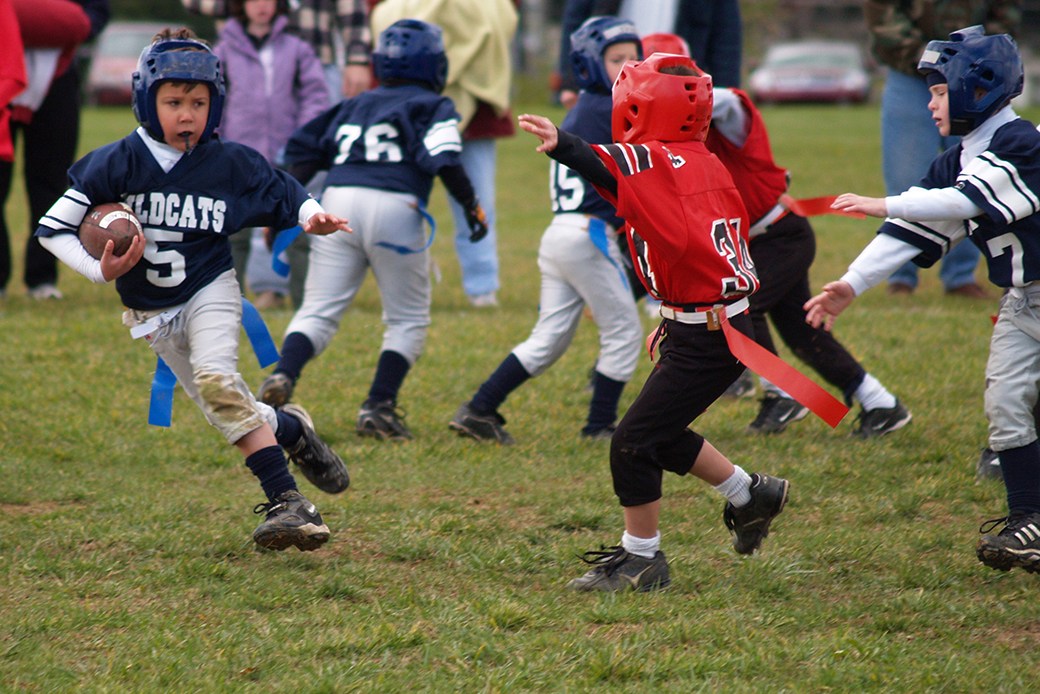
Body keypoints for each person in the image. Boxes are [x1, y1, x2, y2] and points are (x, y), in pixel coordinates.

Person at [33, 29, 352, 551]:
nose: (187, 115)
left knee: (218, 382)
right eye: (174, 102)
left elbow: (283, 189)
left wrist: (312, 215)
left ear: (215, 104)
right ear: (146, 101)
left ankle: (290, 504)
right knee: (223, 405)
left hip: (210, 289)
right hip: (150, 312)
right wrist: (98, 270)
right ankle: (290, 430)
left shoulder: (227, 163)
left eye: (198, 103)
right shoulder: (117, 162)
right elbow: (52, 229)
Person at [519, 53, 790, 592]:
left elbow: (608, 166)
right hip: (710, 325)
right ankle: (750, 494)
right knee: (660, 436)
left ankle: (642, 560)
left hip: (708, 333)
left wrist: (565, 143)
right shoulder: (704, 160)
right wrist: (674, 314)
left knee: (632, 442)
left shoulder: (659, 160)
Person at [805, 27, 1040, 574]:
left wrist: (881, 202)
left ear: (976, 88)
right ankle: (1029, 520)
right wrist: (851, 284)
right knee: (1006, 407)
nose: (930, 103)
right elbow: (911, 232)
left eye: (937, 91)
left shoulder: (1022, 143)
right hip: (1022, 303)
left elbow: (962, 202)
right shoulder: (956, 159)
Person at [638, 32, 910, 437]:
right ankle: (881, 403)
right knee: (802, 329)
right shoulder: (662, 134)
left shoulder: (721, 107)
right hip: (755, 240)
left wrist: (677, 91)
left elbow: (722, 101)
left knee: (742, 310)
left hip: (779, 234)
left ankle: (782, 395)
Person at [256, 19, 488, 441]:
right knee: (407, 319)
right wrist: (471, 205)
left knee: (317, 310)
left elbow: (304, 156)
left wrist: (282, 210)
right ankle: (378, 406)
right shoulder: (433, 105)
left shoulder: (355, 104)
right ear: (435, 64)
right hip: (396, 206)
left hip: (338, 201)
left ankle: (284, 373)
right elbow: (445, 159)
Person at [449, 16, 643, 445]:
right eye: (617, 59)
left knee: (549, 338)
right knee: (624, 332)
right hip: (589, 234)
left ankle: (479, 409)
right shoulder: (606, 108)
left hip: (560, 233)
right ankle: (598, 426)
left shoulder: (586, 108)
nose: (629, 67)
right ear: (589, 65)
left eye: (634, 57)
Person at [865, 0, 1020, 298]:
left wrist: (981, 51)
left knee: (976, 180)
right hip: (909, 70)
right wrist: (931, 58)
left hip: (975, 75)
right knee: (906, 178)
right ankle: (900, 276)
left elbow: (1006, 9)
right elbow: (881, 11)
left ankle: (960, 276)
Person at [371, 0, 517, 308]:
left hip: (474, 113)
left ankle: (482, 287)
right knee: (397, 202)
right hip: (407, 109)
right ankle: (398, 285)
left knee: (477, 198)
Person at [213, 0, 330, 310]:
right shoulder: (224, 50)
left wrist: (302, 138)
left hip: (285, 158)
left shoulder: (296, 48)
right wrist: (217, 141)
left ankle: (306, 307)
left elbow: (315, 95)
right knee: (235, 233)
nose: (262, 6)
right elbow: (212, 98)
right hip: (238, 156)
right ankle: (227, 304)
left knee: (296, 229)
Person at [0, 0, 108, 301]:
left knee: (50, 183)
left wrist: (74, 26)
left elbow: (97, 12)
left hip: (58, 76)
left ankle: (42, 278)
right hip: (3, 70)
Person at [555, 0, 742, 108]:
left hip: (676, 80)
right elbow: (577, 18)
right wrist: (571, 80)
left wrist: (728, 91)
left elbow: (725, 31)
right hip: (613, 77)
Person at [180, 0, 373, 100]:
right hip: (246, 63)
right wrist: (245, 4)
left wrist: (357, 60)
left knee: (321, 138)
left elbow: (353, 7)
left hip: (318, 61)